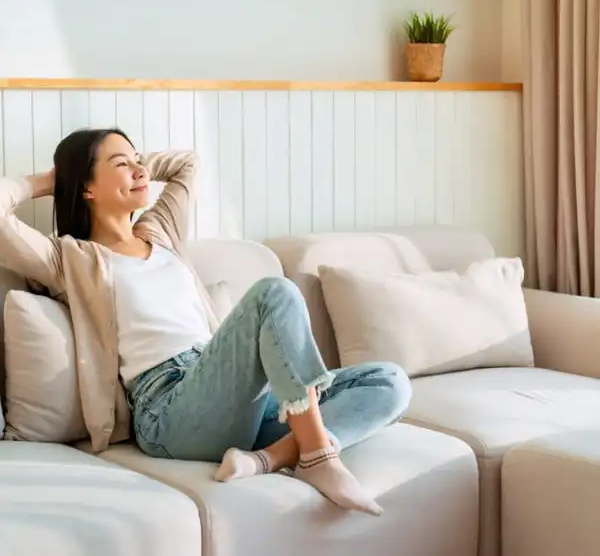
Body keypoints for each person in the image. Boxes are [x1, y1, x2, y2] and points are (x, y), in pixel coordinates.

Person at [0, 128, 412, 516]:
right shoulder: (69, 259)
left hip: (235, 395)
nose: (140, 170)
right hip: (168, 407)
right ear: (87, 187)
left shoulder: (160, 233)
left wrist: (135, 165)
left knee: (389, 380)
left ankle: (271, 459)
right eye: (121, 163)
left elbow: (186, 164)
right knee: (274, 292)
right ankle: (320, 456)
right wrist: (49, 180)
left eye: (138, 159)